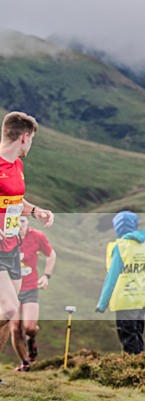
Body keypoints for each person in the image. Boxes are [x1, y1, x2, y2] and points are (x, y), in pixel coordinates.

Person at [0, 111, 54, 380]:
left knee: (7, 315)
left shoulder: (17, 167)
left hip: (13, 247)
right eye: (31, 140)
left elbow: (15, 202)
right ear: (24, 137)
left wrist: (35, 211)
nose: (30, 145)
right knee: (9, 309)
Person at [95, 211, 145, 354]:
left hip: (125, 299)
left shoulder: (121, 247)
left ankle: (133, 370)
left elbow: (112, 278)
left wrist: (102, 304)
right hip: (143, 297)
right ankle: (142, 365)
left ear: (118, 227)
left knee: (127, 337)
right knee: (137, 333)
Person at [10, 215, 56, 371]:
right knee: (15, 328)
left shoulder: (37, 236)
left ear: (27, 222)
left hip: (30, 287)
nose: (20, 224)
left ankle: (32, 339)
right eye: (17, 221)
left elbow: (51, 254)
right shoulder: (6, 236)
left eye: (23, 220)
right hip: (11, 290)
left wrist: (46, 276)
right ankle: (25, 362)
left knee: (29, 327)